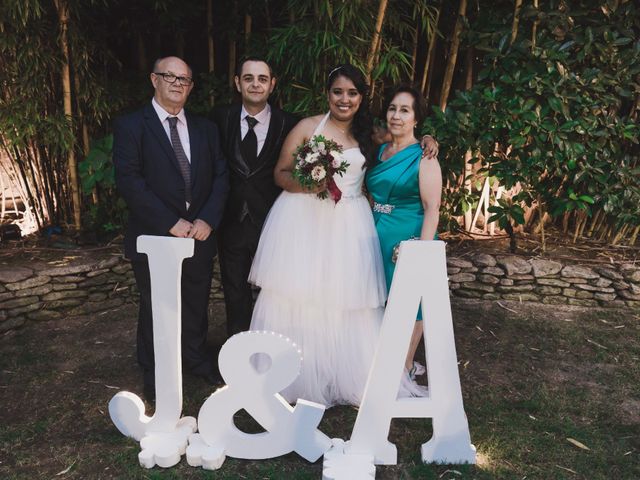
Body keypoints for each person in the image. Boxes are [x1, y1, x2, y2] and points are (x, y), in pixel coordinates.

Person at [113, 56, 229, 401]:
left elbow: (221, 176)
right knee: (156, 305)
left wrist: (207, 218)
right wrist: (170, 222)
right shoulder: (132, 125)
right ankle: (154, 370)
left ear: (191, 86)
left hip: (199, 234)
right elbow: (130, 181)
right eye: (170, 76)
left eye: (185, 79)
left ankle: (194, 359)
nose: (178, 83)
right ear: (154, 79)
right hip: (155, 235)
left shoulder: (206, 128)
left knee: (196, 299)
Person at [212, 57, 298, 338]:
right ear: (238, 83)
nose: (255, 84)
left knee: (274, 296)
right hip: (231, 222)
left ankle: (272, 354)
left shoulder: (291, 123)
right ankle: (239, 357)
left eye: (262, 78)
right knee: (234, 293)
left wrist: (424, 136)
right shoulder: (219, 118)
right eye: (248, 78)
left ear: (272, 84)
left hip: (273, 223)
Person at [366, 85, 442, 392]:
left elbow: (432, 208)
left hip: (407, 236)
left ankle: (405, 367)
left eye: (405, 110)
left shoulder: (424, 157)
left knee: (412, 305)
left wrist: (420, 253)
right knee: (379, 302)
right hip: (374, 232)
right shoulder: (380, 149)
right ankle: (377, 360)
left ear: (416, 118)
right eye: (392, 109)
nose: (396, 116)